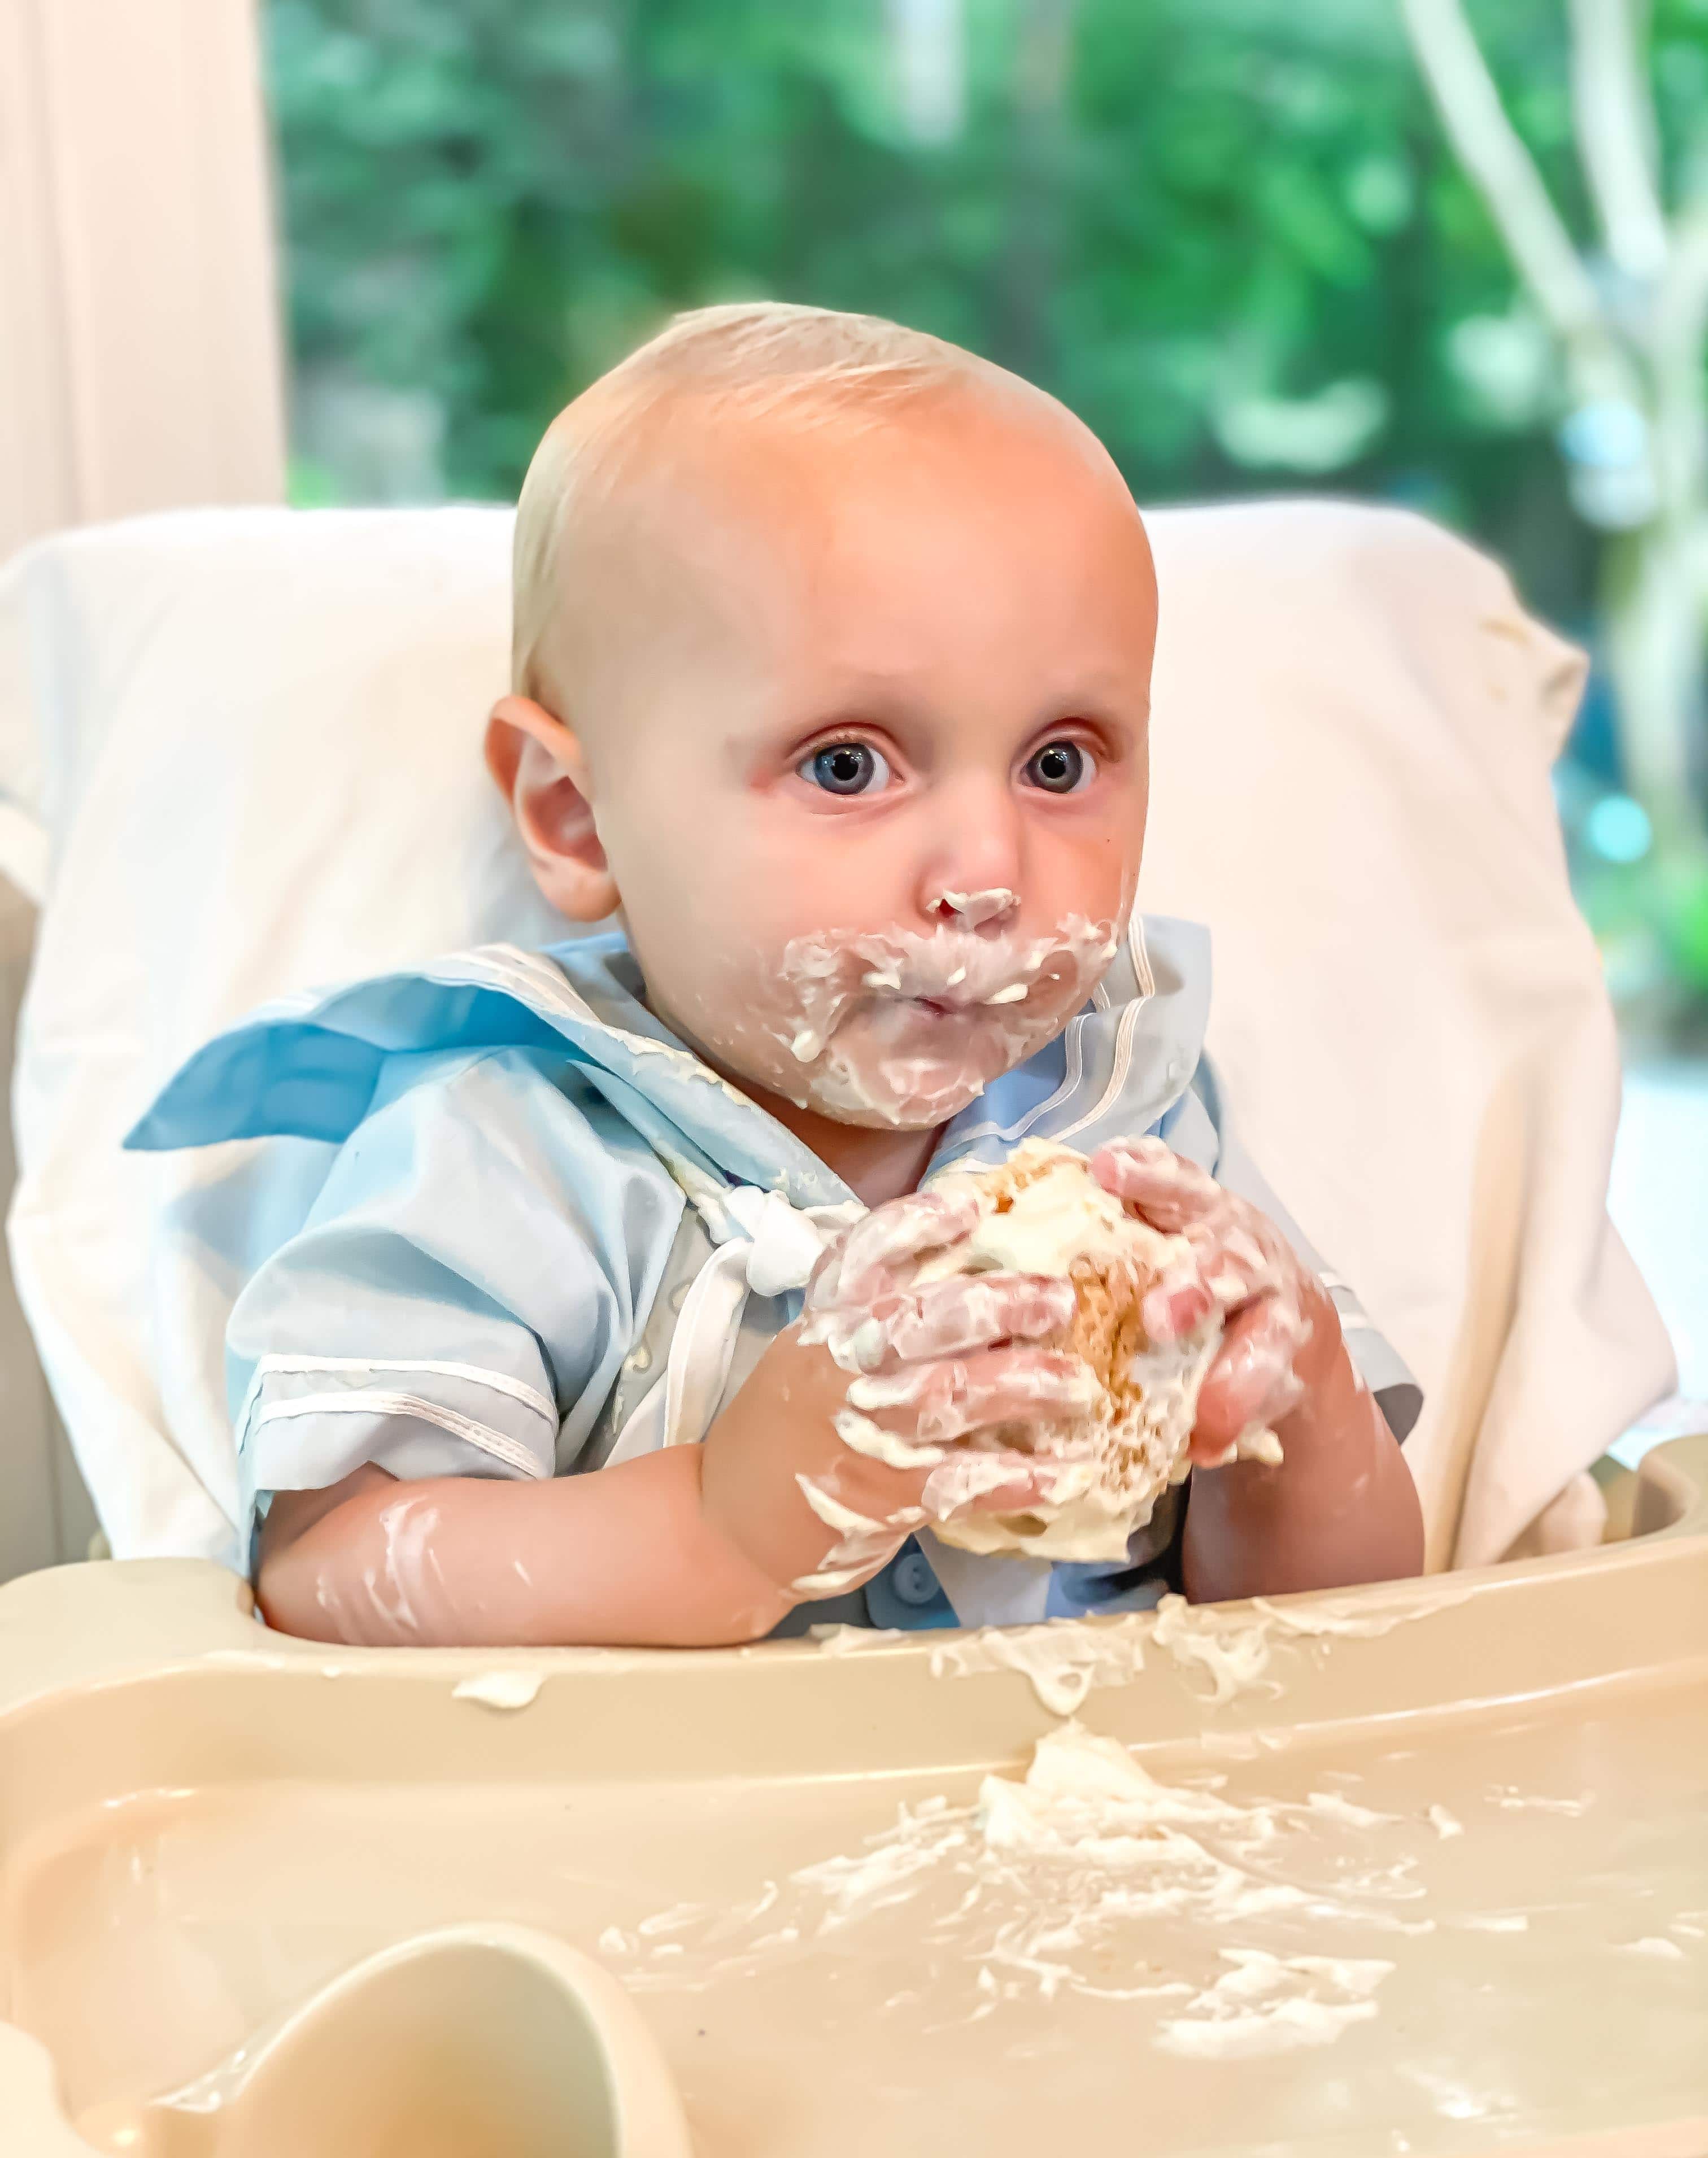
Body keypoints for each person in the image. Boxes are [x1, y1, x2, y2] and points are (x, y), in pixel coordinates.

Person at [127, 303, 1424, 1649]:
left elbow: (1345, 1635)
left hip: (1143, 1827)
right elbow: (331, 1569)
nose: (987, 870)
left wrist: (1303, 1405)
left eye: (1058, 764)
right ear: (579, 818)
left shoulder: (1139, 1131)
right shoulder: (512, 1153)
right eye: (848, 765)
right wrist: (721, 1524)